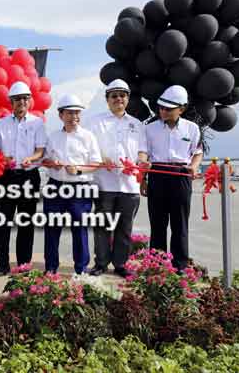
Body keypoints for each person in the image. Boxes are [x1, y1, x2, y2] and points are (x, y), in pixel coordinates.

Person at [86, 80, 148, 277]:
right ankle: (101, 263)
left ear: (127, 99)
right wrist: (101, 159)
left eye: (122, 95)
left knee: (124, 227)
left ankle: (120, 264)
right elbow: (89, 149)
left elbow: (143, 151)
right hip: (104, 182)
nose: (118, 99)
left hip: (129, 185)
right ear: (107, 100)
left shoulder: (137, 124)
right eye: (114, 96)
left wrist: (140, 162)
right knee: (103, 227)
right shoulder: (96, 122)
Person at [142, 85, 203, 271]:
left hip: (181, 176)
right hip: (157, 175)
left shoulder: (192, 128)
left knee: (180, 224)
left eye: (168, 108)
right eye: (161, 107)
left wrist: (193, 166)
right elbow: (144, 153)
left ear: (181, 109)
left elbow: (197, 152)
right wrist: (143, 178)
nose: (163, 111)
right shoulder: (149, 129)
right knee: (157, 224)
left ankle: (180, 266)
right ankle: (157, 265)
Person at [0, 81, 46, 276]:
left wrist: (32, 158)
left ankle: (23, 265)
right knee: (2, 223)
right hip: (5, 178)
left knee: (26, 224)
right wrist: (3, 158)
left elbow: (41, 151)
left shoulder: (37, 123)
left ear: (30, 101)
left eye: (24, 98)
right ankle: (2, 265)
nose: (21, 102)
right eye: (17, 99)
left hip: (29, 177)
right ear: (11, 102)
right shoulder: (1, 123)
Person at [42, 94, 101, 274]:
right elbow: (45, 160)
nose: (74, 117)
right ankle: (51, 268)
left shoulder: (88, 136)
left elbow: (96, 163)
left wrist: (79, 170)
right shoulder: (53, 136)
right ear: (61, 115)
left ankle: (80, 269)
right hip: (55, 186)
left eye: (77, 113)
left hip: (80, 188)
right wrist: (51, 163)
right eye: (70, 113)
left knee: (79, 229)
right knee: (52, 229)